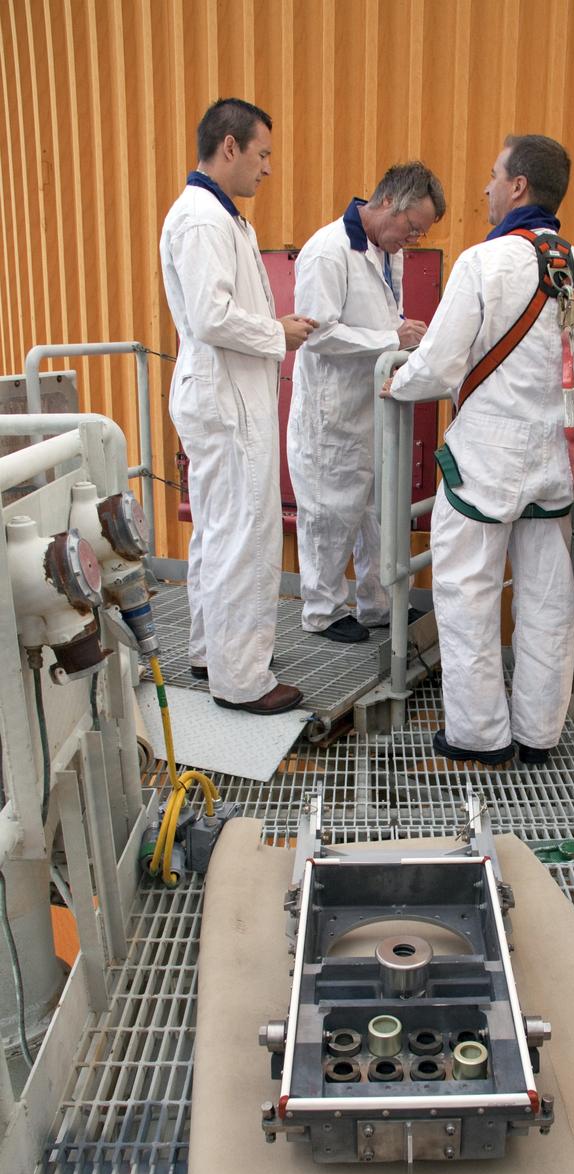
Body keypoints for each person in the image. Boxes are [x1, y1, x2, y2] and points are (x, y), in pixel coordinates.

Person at [385, 135, 574, 764]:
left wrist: (396, 381)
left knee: (467, 593)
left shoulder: (483, 265)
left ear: (517, 188)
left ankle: (480, 735)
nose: (485, 189)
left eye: (492, 177)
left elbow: (436, 367)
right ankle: (539, 732)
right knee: (547, 597)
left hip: (486, 464)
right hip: (558, 465)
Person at [160, 98, 316, 715]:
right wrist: (279, 332)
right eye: (263, 154)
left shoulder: (223, 217)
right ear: (230, 146)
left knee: (218, 531)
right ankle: (241, 680)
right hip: (226, 401)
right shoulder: (202, 219)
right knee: (241, 536)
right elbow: (210, 316)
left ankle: (212, 650)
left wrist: (275, 331)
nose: (267, 168)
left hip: (225, 396)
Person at [287, 162, 446, 643]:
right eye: (412, 228)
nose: (413, 240)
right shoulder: (328, 251)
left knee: (379, 513)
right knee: (330, 512)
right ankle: (323, 610)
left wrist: (402, 339)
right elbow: (317, 335)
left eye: (421, 232)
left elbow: (383, 317)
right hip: (332, 412)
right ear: (386, 205)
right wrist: (388, 338)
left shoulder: (385, 251)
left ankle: (378, 604)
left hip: (373, 407)